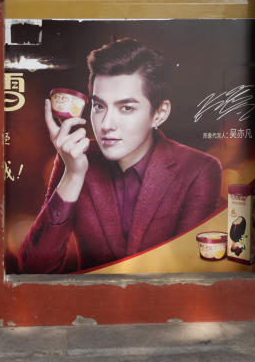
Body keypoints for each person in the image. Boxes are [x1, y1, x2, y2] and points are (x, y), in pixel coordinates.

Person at [19, 38, 223, 273]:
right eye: (99, 106)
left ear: (159, 113)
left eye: (126, 108)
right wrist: (73, 175)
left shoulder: (198, 169)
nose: (106, 125)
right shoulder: (77, 158)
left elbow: (188, 268)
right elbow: (34, 268)